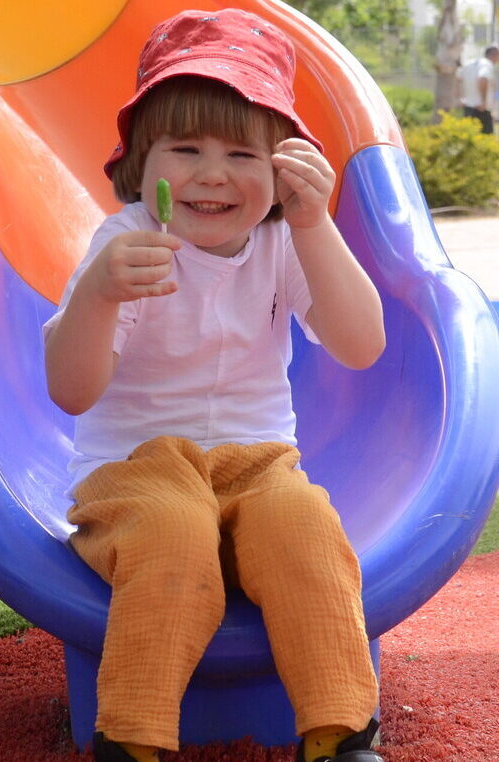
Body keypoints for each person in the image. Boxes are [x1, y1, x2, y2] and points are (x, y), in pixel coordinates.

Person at [42, 9, 387, 762]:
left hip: (258, 464)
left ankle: (340, 733)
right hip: (137, 469)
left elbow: (362, 345)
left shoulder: (281, 240)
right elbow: (71, 390)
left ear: (281, 167)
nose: (212, 173)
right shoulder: (127, 244)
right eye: (185, 148)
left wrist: (314, 223)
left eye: (241, 153)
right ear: (141, 158)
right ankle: (132, 739)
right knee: (174, 534)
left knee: (304, 528)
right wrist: (99, 295)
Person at [459, 45, 499, 134]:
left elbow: (458, 79)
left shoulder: (468, 64)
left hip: (468, 107)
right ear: (494, 55)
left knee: (470, 138)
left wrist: (460, 98)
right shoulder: (487, 65)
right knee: (485, 141)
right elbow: (483, 79)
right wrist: (483, 101)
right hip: (481, 109)